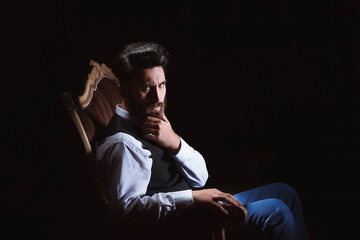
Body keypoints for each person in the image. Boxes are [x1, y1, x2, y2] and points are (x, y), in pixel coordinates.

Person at [95, 41, 310, 240]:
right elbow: (126, 210)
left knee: (285, 192)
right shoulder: (123, 143)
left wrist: (175, 143)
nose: (158, 98)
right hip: (186, 223)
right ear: (124, 91)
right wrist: (191, 198)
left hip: (197, 205)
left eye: (161, 85)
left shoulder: (151, 118)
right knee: (276, 210)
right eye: (147, 88)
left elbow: (200, 178)